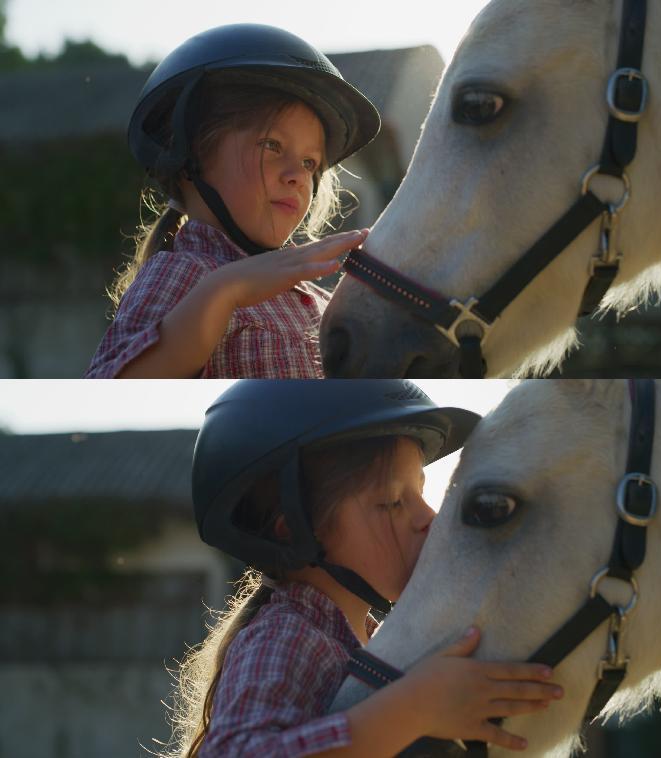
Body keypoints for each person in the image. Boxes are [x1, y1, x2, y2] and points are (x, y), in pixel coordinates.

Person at [166, 380, 562, 756]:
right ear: (298, 533)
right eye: (392, 502)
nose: (430, 518)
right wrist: (416, 708)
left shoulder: (371, 639)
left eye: (421, 493)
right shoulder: (288, 634)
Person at [86, 24, 379, 378]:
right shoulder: (183, 273)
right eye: (272, 146)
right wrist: (224, 292)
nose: (298, 176)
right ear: (188, 158)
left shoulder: (320, 298)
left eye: (309, 163)